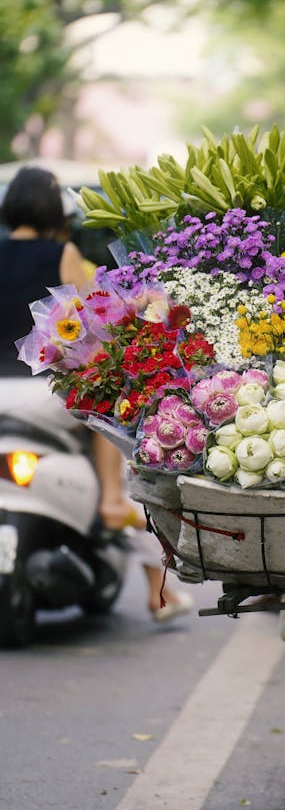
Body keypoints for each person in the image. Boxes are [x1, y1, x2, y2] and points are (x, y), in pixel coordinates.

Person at [0, 165, 191, 622]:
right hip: (40, 393)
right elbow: (90, 319)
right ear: (54, 207)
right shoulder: (61, 252)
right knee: (106, 421)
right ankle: (111, 504)